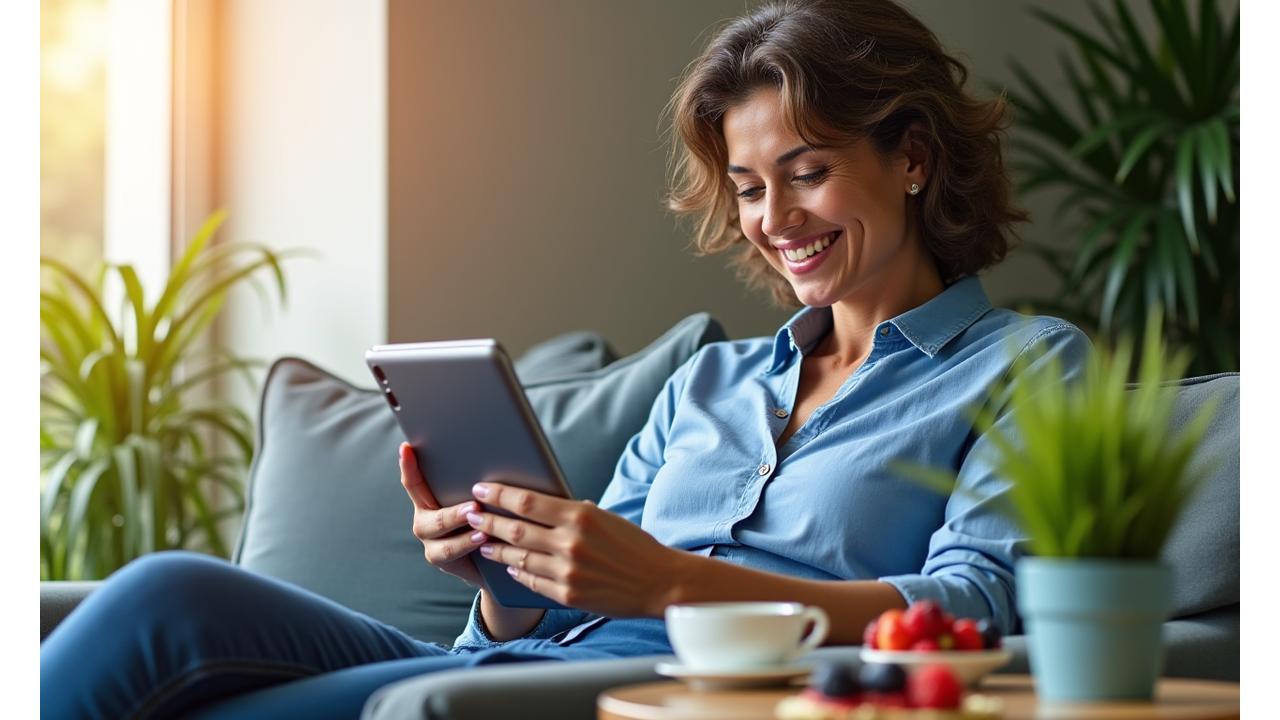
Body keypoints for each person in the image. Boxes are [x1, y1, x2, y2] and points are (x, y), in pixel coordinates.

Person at [40, 0, 1091, 717]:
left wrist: (669, 582)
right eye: (750, 187)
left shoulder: (1025, 366)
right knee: (167, 595)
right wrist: (501, 572)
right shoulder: (713, 380)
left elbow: (971, 610)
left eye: (805, 172)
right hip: (519, 665)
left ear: (910, 157)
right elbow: (550, 613)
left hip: (659, 694)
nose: (775, 218)